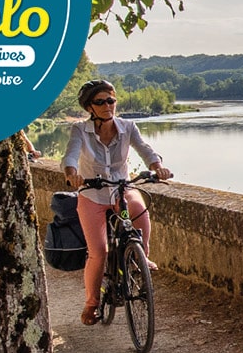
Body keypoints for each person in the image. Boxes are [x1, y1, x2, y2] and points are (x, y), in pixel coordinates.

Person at [62, 79, 173, 325]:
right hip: (92, 193)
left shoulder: (127, 126)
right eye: (100, 102)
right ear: (90, 107)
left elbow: (145, 149)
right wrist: (71, 173)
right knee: (98, 252)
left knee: (139, 210)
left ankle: (141, 254)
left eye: (110, 100)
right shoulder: (80, 130)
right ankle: (91, 304)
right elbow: (71, 153)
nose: (107, 105)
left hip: (121, 188)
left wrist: (157, 167)